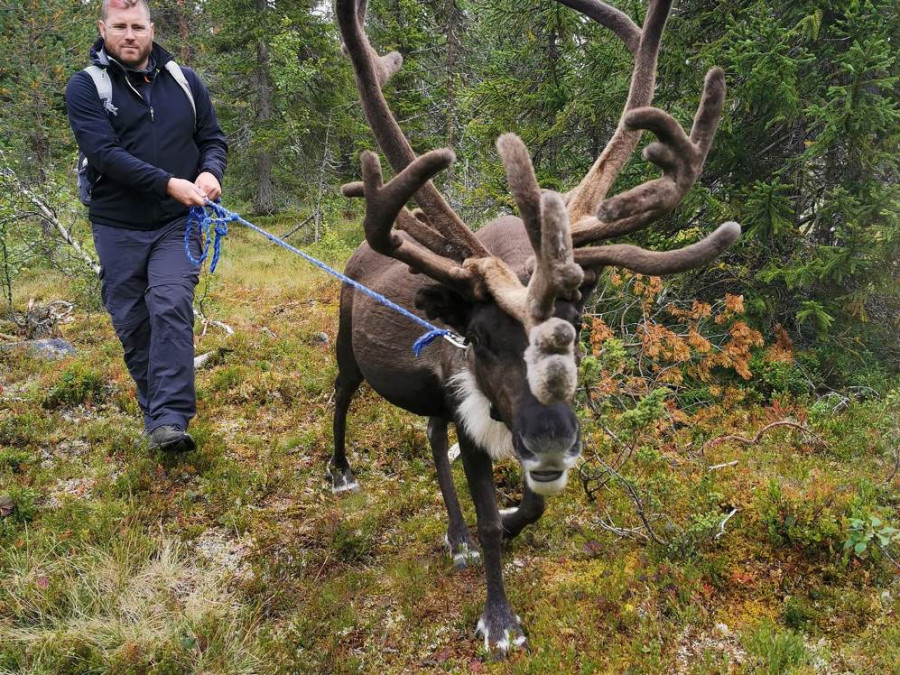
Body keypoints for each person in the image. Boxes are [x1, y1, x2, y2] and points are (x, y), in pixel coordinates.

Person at [66, 0, 227, 452]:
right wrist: (168, 182)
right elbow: (104, 154)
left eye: (138, 26)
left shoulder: (185, 81)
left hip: (178, 223)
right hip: (117, 226)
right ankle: (156, 412)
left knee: (170, 302)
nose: (130, 35)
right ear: (104, 28)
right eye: (120, 27)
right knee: (133, 322)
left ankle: (170, 420)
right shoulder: (86, 87)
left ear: (151, 29)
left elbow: (212, 138)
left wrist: (210, 172)